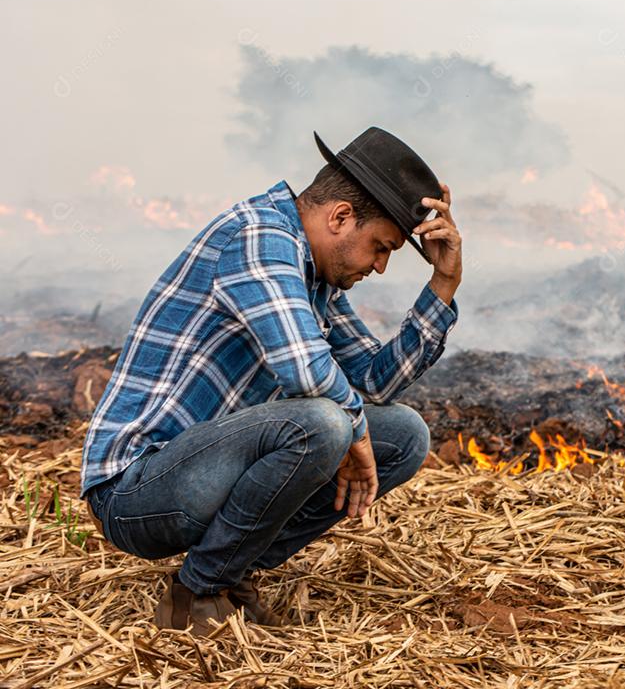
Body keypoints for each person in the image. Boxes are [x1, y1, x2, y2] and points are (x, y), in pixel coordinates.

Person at [79, 127, 462, 635]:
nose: (381, 266)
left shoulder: (316, 276)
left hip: (206, 469)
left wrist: (443, 284)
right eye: (380, 247)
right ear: (340, 217)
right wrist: (353, 432)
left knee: (404, 434)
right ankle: (196, 592)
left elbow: (373, 382)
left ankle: (230, 569)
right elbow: (304, 368)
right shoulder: (259, 236)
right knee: (324, 423)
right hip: (134, 490)